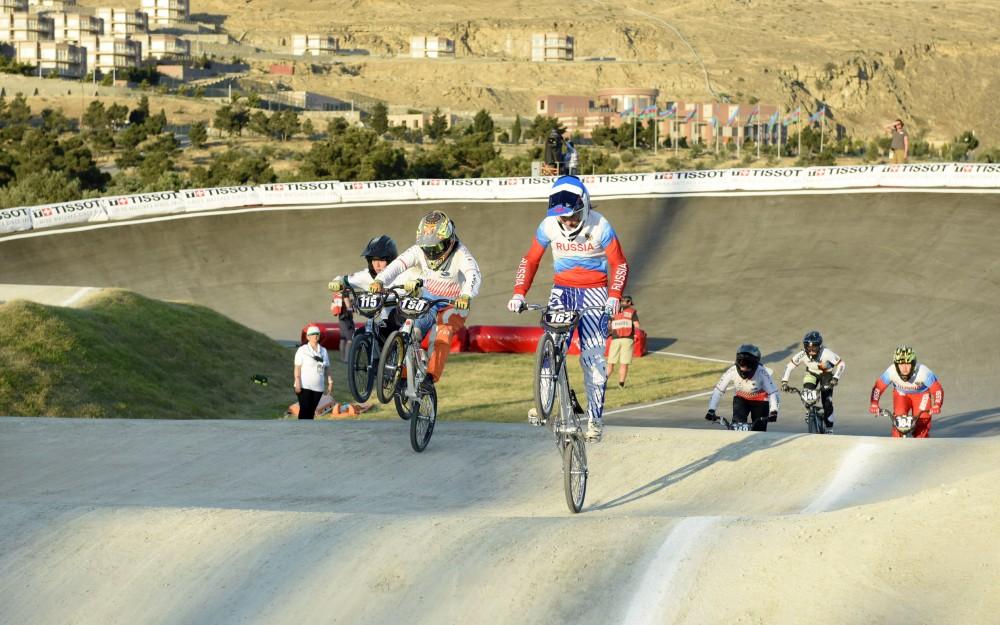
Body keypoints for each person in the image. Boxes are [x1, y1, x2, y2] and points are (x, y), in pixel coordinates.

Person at [507, 175, 629, 443]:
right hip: (562, 291)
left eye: (573, 217)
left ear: (584, 206)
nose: (569, 223)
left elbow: (619, 264)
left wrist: (614, 295)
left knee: (594, 360)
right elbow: (530, 260)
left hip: (596, 293)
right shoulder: (549, 225)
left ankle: (595, 420)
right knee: (551, 346)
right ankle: (544, 401)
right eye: (564, 218)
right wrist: (519, 293)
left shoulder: (601, 226)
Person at [369, 211, 481, 388]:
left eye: (435, 248)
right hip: (429, 299)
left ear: (449, 241)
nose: (430, 252)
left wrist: (467, 294)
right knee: (411, 329)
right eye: (426, 247)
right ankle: (404, 374)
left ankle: (430, 376)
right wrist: (380, 280)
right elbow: (398, 264)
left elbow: (473, 274)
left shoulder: (461, 253)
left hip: (454, 304)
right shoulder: (418, 250)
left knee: (441, 332)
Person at [328, 234, 399, 343]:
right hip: (377, 320)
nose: (377, 265)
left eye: (381, 260)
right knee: (359, 334)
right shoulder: (365, 275)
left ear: (391, 260)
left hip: (397, 321)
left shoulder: (401, 275)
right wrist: (337, 282)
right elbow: (344, 279)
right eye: (373, 260)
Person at [869, 345, 943, 438]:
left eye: (907, 364)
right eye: (901, 364)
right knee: (899, 423)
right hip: (901, 394)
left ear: (914, 364)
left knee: (922, 424)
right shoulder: (891, 371)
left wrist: (937, 404)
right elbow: (878, 388)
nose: (904, 369)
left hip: (921, 395)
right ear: (896, 365)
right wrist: (874, 403)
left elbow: (937, 389)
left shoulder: (923, 372)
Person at [779, 330, 846, 430]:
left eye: (814, 347)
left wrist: (835, 378)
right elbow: (789, 367)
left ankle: (829, 428)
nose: (811, 350)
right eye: (808, 347)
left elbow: (841, 364)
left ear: (819, 346)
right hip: (811, 374)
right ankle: (809, 410)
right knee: (807, 394)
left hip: (826, 374)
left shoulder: (826, 353)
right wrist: (784, 382)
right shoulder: (802, 354)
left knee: (827, 402)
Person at [705, 344, 779, 432]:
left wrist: (773, 411)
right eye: (741, 363)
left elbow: (773, 392)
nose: (744, 368)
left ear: (755, 364)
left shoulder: (762, 373)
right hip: (741, 399)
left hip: (760, 401)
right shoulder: (732, 371)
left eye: (748, 364)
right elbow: (718, 390)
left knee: (759, 430)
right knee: (736, 427)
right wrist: (711, 409)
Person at [293, 325, 333, 419]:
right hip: (304, 386)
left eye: (317, 334)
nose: (315, 336)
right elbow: (297, 367)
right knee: (304, 410)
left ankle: (309, 432)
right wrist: (297, 382)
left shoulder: (323, 351)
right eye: (312, 334)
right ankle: (301, 432)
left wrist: (330, 382)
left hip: (318, 388)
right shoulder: (302, 350)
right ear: (308, 337)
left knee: (311, 412)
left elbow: (327, 367)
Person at [606, 294, 640, 389]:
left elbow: (609, 326)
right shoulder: (631, 312)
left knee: (610, 363)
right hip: (628, 339)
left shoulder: (614, 312)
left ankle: (603, 382)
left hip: (615, 339)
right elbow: (637, 325)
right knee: (624, 363)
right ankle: (621, 385)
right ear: (629, 302)